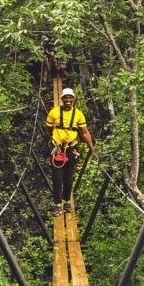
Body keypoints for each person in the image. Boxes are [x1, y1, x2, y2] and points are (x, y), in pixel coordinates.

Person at [45, 87, 97, 215]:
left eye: (70, 97)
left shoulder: (78, 114)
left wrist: (92, 149)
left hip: (71, 148)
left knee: (68, 177)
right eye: (65, 97)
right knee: (57, 177)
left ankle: (67, 201)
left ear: (73, 99)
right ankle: (57, 204)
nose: (68, 100)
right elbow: (48, 130)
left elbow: (84, 132)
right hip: (57, 149)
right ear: (62, 99)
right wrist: (50, 144)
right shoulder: (53, 113)